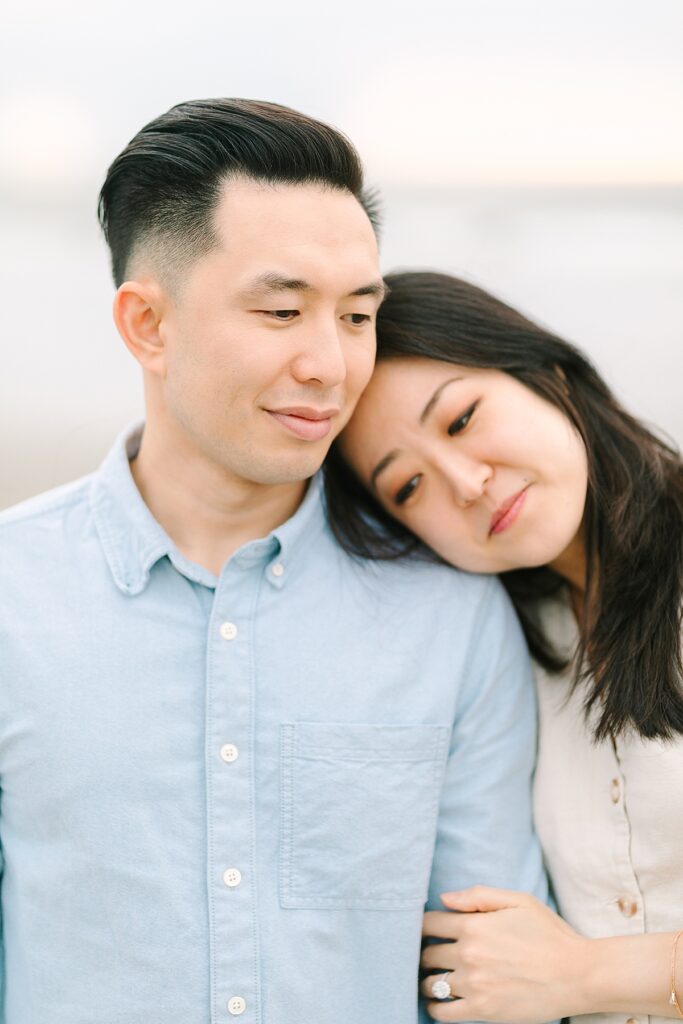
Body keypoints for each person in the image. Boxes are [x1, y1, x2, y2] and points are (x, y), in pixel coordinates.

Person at [0, 102, 548, 1023]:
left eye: (358, 315)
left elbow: (486, 975)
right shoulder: (15, 594)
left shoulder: (448, 612)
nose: (331, 365)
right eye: (283, 311)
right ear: (146, 325)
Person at [328, 269, 683, 1024]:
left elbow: (566, 971)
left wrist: (586, 974)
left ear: (545, 371)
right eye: (407, 488)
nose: (463, 482)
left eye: (459, 420)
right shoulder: (507, 649)